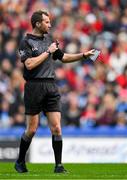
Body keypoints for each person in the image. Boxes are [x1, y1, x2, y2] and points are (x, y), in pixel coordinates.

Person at [14, 10, 95, 173]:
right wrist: (48, 52)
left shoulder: (49, 40)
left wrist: (84, 55)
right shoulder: (26, 42)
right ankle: (20, 161)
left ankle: (58, 165)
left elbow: (63, 57)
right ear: (37, 24)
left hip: (51, 85)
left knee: (57, 128)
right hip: (34, 86)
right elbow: (29, 65)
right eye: (46, 22)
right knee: (32, 129)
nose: (50, 25)